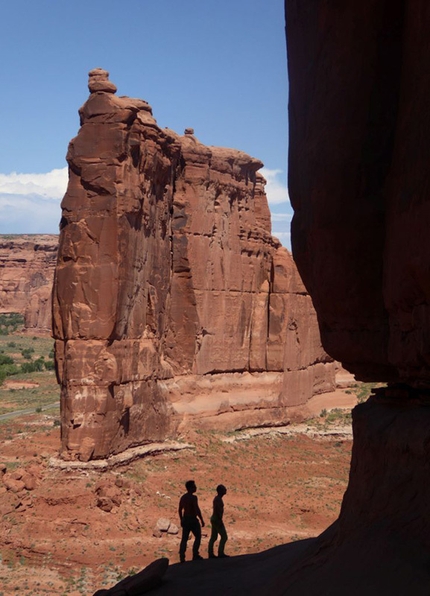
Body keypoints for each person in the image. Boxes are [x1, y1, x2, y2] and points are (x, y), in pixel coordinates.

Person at [178, 480, 205, 562]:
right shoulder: (193, 498)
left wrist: (181, 519)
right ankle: (195, 554)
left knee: (184, 538)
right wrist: (201, 519)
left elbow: (179, 509)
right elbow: (197, 509)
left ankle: (182, 556)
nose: (195, 488)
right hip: (193, 520)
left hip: (186, 519)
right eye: (194, 486)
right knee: (198, 536)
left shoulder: (183, 497)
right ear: (190, 488)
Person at [208, 484, 229, 559]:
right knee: (224, 537)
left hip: (214, 518)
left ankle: (210, 553)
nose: (225, 490)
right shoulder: (218, 499)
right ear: (220, 491)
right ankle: (220, 552)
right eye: (224, 489)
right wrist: (220, 519)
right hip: (217, 519)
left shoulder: (217, 498)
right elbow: (217, 510)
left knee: (213, 537)